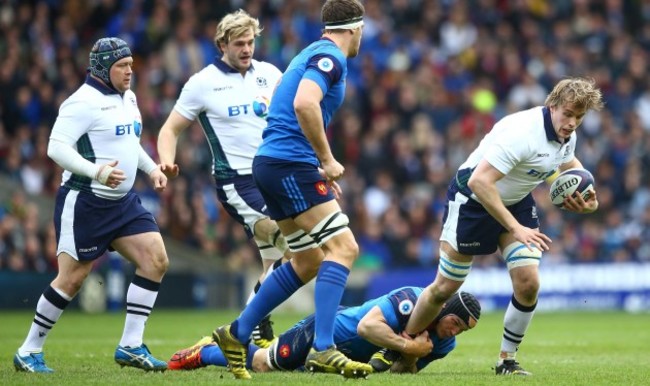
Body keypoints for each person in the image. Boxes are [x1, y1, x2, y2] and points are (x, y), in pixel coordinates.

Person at [403, 77, 604, 376]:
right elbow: (479, 181)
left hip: (516, 200)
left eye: (579, 117)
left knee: (528, 283)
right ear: (552, 106)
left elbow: (571, 166)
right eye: (568, 114)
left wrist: (591, 201)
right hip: (473, 200)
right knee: (444, 289)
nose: (573, 122)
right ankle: (403, 348)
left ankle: (506, 361)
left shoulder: (565, 135)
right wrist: (517, 228)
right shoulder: (522, 132)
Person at [211, 0, 369, 379]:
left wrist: (314, 163)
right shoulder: (332, 57)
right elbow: (304, 104)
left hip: (273, 164)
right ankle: (324, 348)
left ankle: (236, 333)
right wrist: (327, 160)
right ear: (355, 27)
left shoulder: (310, 52)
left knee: (308, 259)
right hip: (288, 165)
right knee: (344, 248)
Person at [13, 37, 170, 373]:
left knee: (156, 258)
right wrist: (96, 171)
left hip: (123, 203)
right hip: (85, 201)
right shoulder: (81, 102)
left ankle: (130, 345)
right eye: (122, 66)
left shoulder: (127, 96)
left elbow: (130, 142)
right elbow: (56, 148)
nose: (130, 71)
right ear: (102, 68)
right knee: (71, 280)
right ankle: (29, 350)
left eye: (130, 64)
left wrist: (151, 168)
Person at [157, 9, 287, 349]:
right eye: (239, 43)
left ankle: (248, 323)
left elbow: (292, 121)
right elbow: (170, 129)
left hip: (274, 177)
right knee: (294, 244)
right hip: (238, 183)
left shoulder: (271, 74)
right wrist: (166, 163)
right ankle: (249, 324)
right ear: (222, 44)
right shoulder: (202, 83)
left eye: (251, 42)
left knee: (274, 260)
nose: (247, 49)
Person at [169, 289, 480, 375]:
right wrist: (409, 346)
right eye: (456, 324)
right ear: (446, 309)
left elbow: (398, 370)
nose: (454, 333)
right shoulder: (413, 299)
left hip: (344, 356)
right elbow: (366, 327)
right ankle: (207, 351)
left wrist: (412, 357)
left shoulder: (443, 345)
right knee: (264, 363)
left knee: (289, 370)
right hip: (326, 331)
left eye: (462, 332)